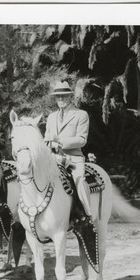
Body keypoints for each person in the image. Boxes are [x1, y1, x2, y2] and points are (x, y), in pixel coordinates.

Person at [44, 81, 92, 221]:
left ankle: (86, 215)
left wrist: (59, 141)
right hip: (52, 157)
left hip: (73, 157)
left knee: (79, 180)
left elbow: (82, 139)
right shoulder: (52, 117)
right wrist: (48, 143)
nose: (61, 99)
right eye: (58, 96)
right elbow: (47, 137)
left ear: (70, 97)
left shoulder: (81, 114)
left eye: (64, 96)